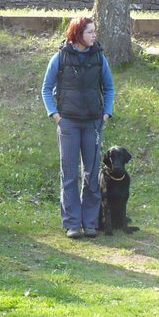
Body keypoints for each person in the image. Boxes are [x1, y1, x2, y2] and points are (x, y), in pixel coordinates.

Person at [41, 17, 114, 239]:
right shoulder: (60, 57)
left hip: (93, 123)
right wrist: (55, 115)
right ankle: (72, 223)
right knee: (70, 175)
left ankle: (89, 223)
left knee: (91, 174)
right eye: (90, 32)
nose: (94, 36)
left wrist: (106, 113)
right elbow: (46, 88)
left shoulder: (99, 57)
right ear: (78, 34)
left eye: (94, 32)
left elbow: (109, 87)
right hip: (68, 124)